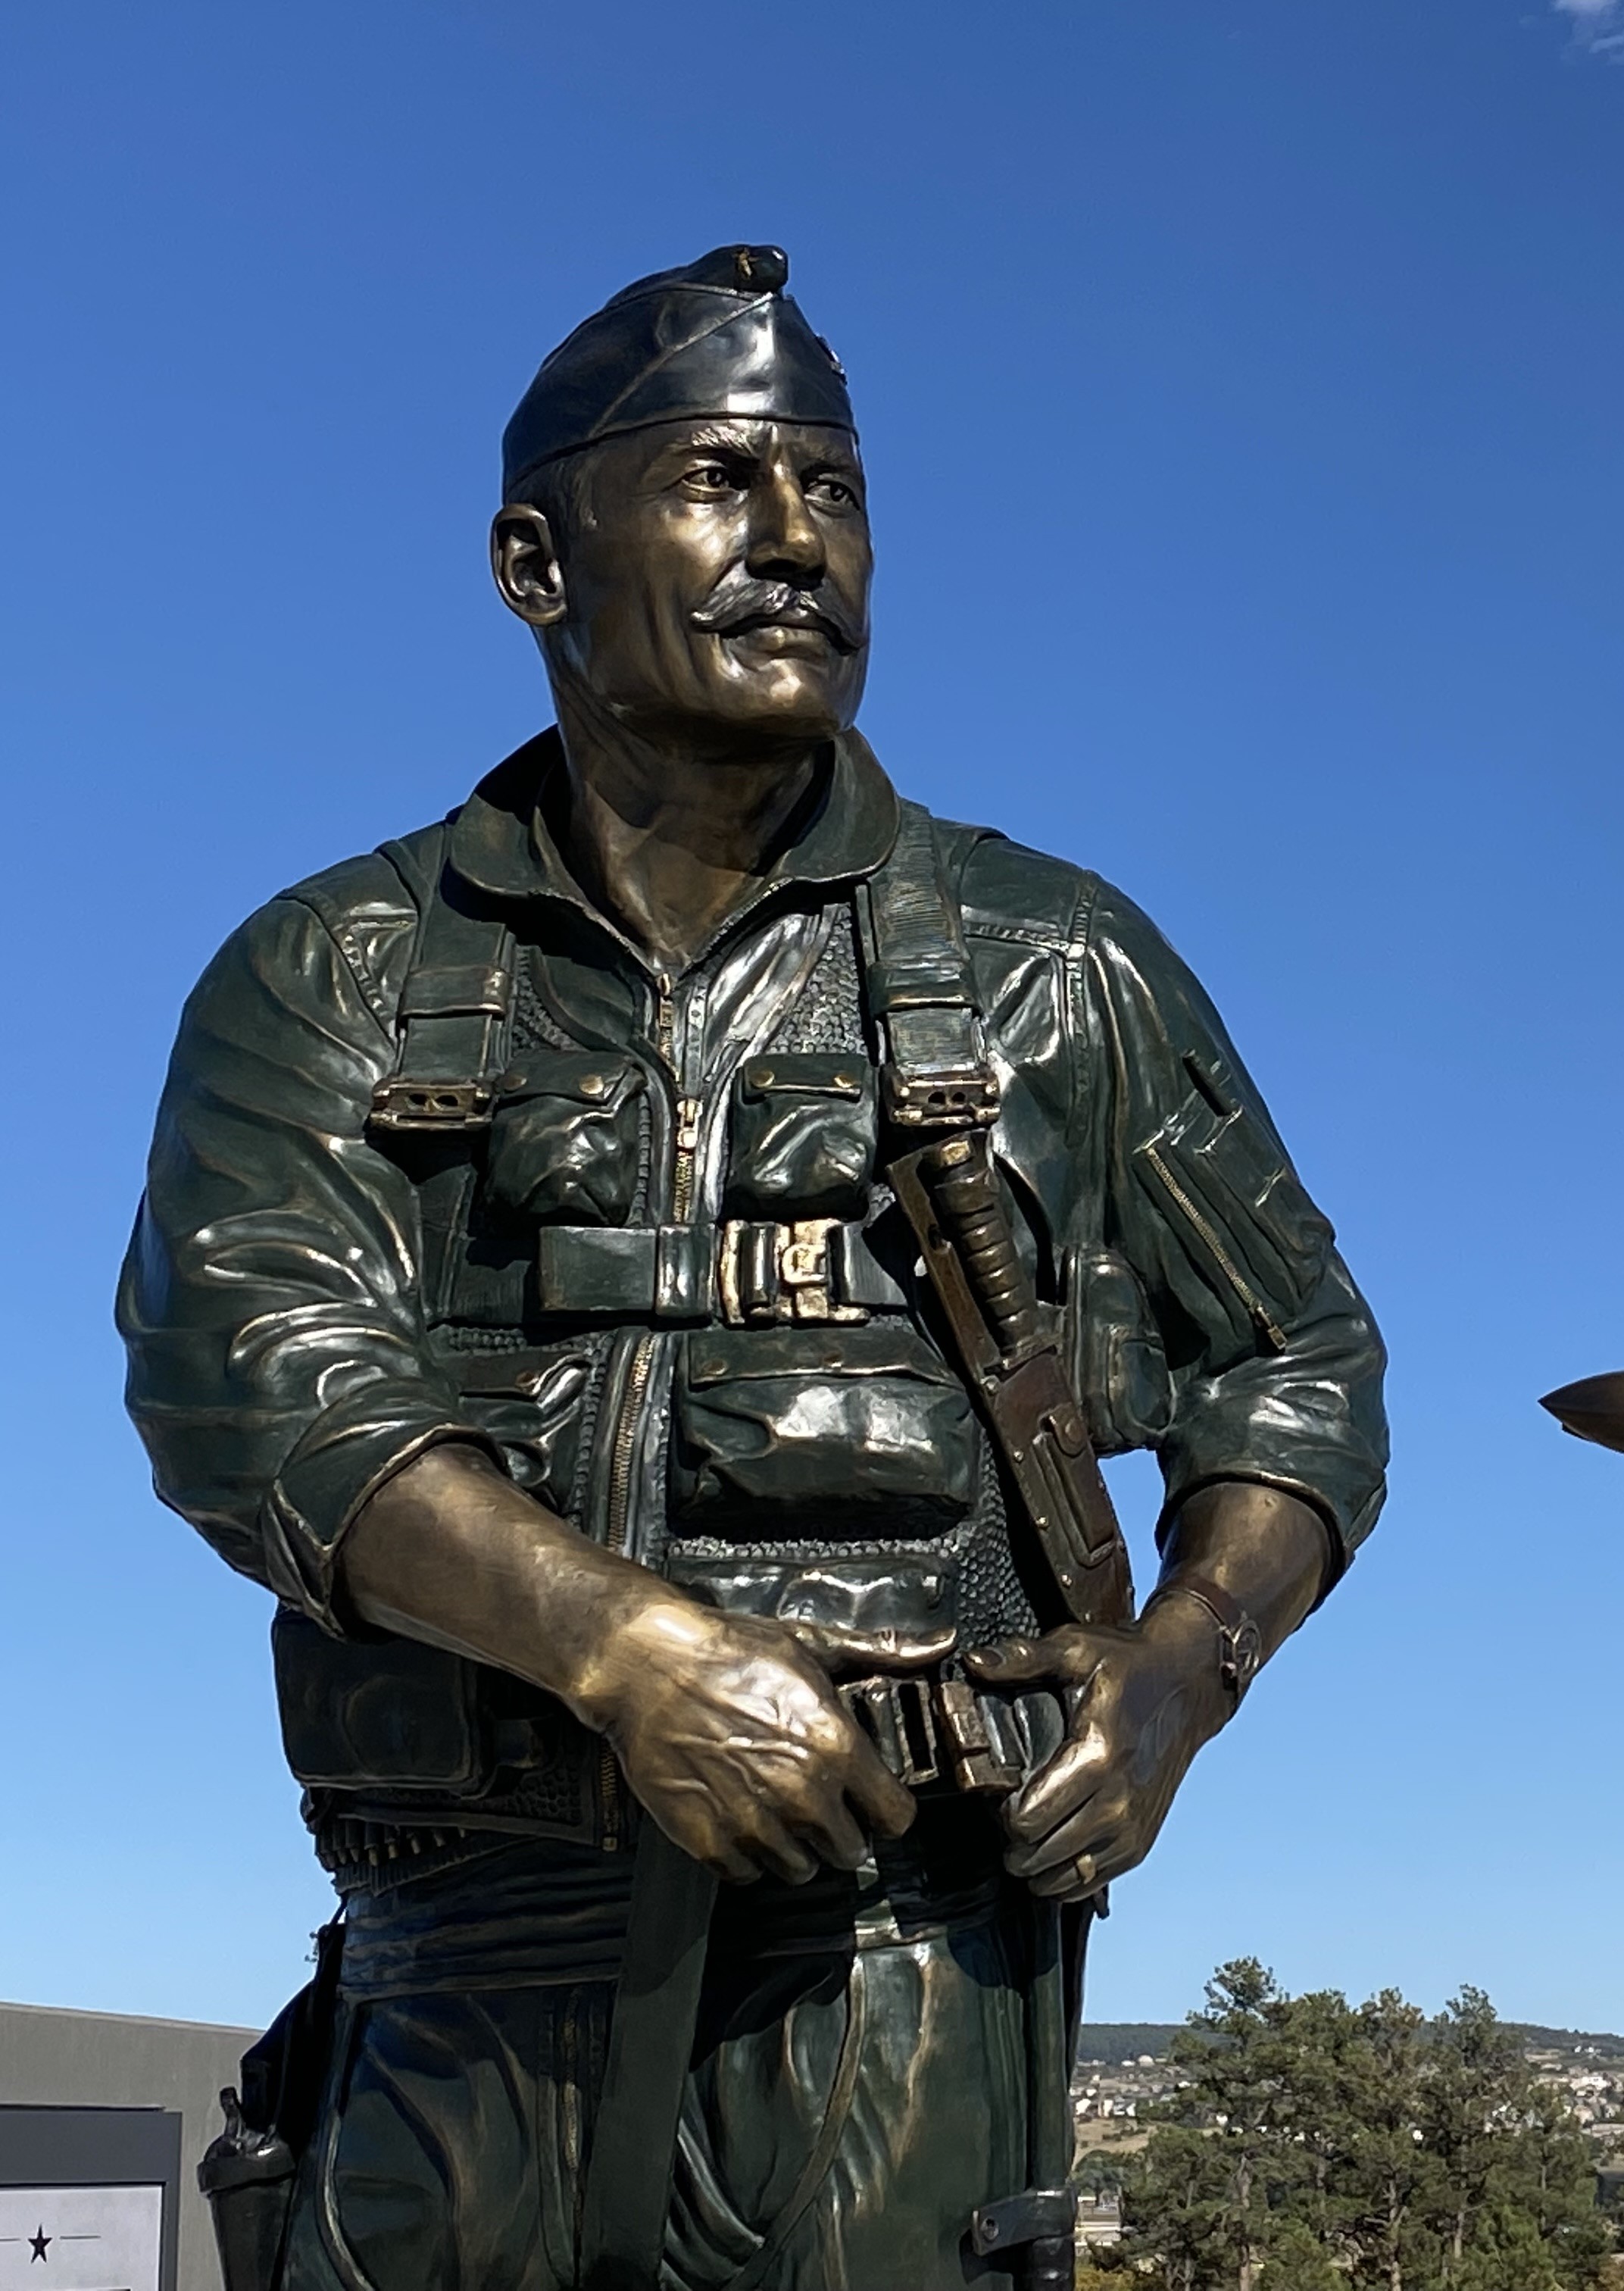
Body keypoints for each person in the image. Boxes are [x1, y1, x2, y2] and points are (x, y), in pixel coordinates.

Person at [119, 244, 1388, 2291]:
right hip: (467, 2008)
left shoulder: (1057, 964)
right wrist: (623, 1653)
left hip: (909, 1983)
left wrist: (1187, 1664)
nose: (799, 540)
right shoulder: (334, 971)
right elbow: (252, 1372)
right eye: (721, 481)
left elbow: (1298, 1361)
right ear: (537, 562)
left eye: (838, 491)